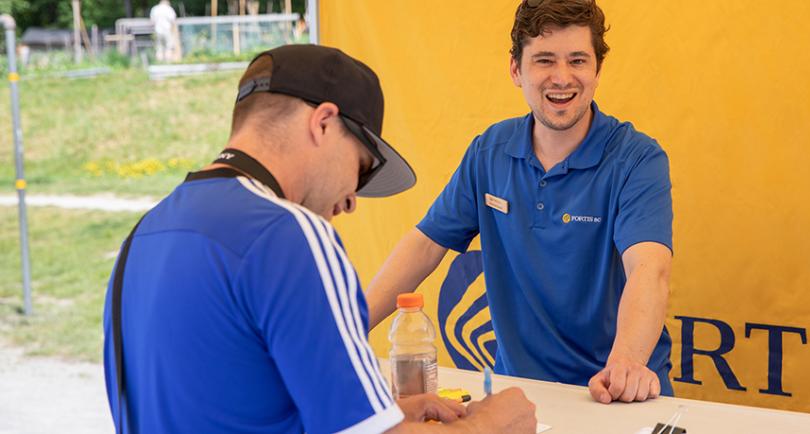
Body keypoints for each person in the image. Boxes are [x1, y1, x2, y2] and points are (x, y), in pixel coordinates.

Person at [101, 44, 535, 433]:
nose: (351, 202)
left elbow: (231, 401)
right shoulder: (289, 234)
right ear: (324, 123)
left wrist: (388, 413)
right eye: (361, 169)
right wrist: (494, 425)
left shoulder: (141, 238)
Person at [367, 0, 674, 405]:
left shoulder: (637, 158)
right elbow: (425, 244)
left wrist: (626, 364)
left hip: (616, 393)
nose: (562, 78)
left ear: (597, 70)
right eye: (544, 60)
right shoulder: (489, 151)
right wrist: (347, 329)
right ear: (516, 69)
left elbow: (649, 269)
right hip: (520, 397)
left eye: (577, 60)